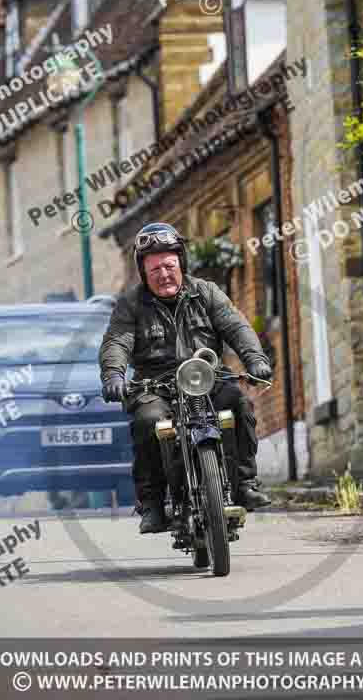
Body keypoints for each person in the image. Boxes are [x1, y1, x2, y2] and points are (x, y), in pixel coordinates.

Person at [99, 222, 273, 534]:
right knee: (147, 420)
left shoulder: (206, 293)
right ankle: (152, 504)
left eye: (169, 265)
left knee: (238, 404)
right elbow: (117, 342)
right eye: (155, 269)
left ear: (181, 263)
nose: (164, 274)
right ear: (143, 272)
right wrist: (114, 374)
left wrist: (255, 359)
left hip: (207, 377)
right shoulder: (131, 304)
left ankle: (245, 482)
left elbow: (236, 327)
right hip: (156, 385)